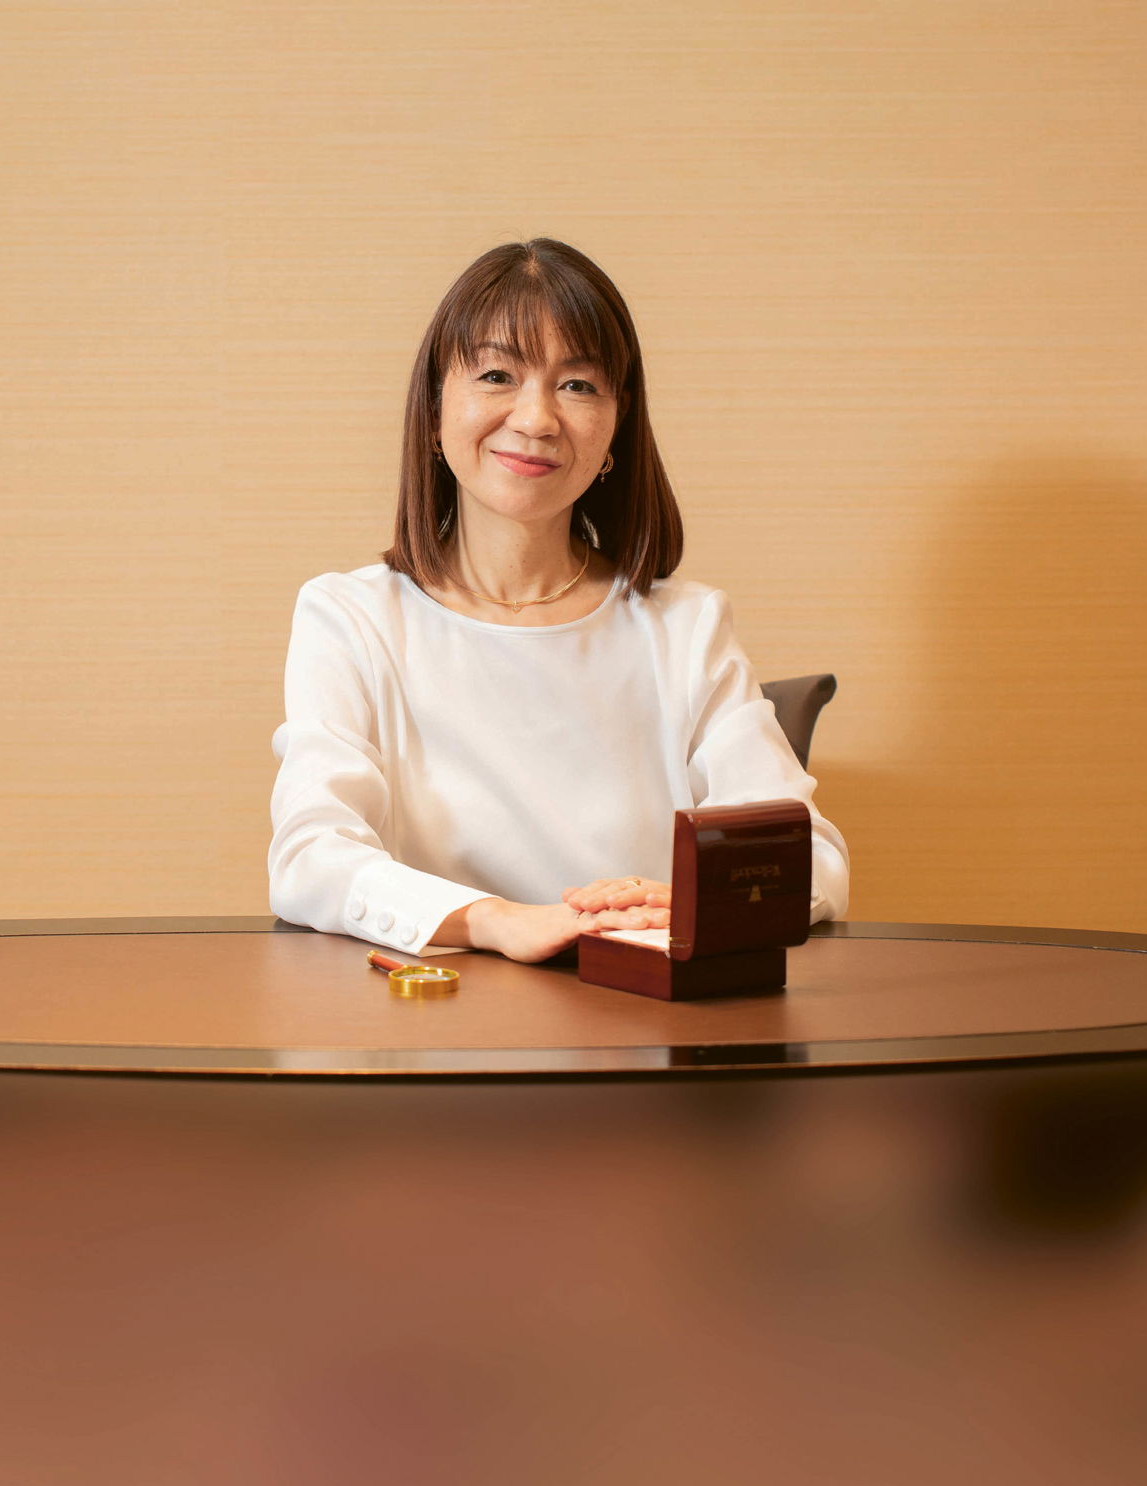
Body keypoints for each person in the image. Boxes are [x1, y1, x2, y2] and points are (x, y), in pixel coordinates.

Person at [268, 237, 848, 964]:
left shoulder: (685, 628)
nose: (537, 418)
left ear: (615, 428)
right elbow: (309, 856)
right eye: (497, 373)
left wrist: (708, 897)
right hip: (436, 1042)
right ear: (434, 407)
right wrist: (495, 920)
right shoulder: (350, 619)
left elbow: (816, 858)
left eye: (577, 385)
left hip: (644, 1039)